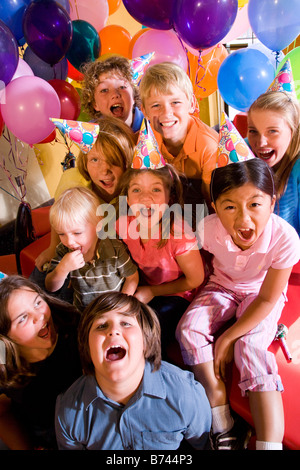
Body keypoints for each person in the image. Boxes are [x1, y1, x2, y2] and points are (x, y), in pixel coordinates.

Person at [176, 157, 300, 450]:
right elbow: (192, 260)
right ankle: (223, 426)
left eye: (255, 205)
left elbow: (270, 296)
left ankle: (269, 444)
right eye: (230, 206)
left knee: (251, 347)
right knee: (188, 330)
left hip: (261, 292)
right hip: (222, 286)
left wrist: (229, 337)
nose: (243, 219)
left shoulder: (284, 238)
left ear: (272, 202)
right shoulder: (208, 229)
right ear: (216, 207)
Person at [55, 292, 212, 450]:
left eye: (126, 323)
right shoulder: (69, 412)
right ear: (87, 348)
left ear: (146, 341)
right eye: (101, 325)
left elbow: (203, 444)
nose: (113, 331)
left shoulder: (187, 395)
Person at [117, 156, 205, 358]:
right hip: (145, 289)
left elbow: (195, 280)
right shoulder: (124, 224)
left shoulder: (179, 235)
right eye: (136, 190)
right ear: (128, 199)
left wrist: (153, 291)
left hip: (179, 294)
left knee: (150, 332)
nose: (145, 198)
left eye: (155, 190)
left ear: (170, 198)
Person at [35, 116, 135, 272]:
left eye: (113, 160)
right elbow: (61, 217)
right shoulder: (73, 182)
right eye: (95, 160)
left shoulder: (136, 186)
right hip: (78, 250)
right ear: (85, 163)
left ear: (127, 162)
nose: (105, 170)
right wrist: (53, 248)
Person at [0, 275, 82, 450]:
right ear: (5, 338)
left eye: (38, 303)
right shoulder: (2, 359)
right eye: (23, 318)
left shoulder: (75, 332)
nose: (40, 317)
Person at [139, 61, 219, 212]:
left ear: (192, 103)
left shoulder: (209, 147)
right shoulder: (147, 141)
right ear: (144, 111)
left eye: (175, 102)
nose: (166, 113)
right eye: (156, 105)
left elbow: (213, 205)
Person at [45, 186, 138, 312]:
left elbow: (132, 278)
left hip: (113, 310)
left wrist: (121, 305)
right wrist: (62, 269)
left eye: (77, 233)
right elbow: (50, 287)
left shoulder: (114, 247)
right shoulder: (63, 250)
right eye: (61, 234)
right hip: (83, 313)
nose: (69, 242)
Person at [247, 90, 300, 235]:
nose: (261, 142)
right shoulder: (242, 151)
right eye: (253, 131)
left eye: (272, 131)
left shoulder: (297, 169)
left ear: (293, 131)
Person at [81, 55, 144, 132]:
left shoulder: (151, 125)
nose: (115, 94)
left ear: (133, 96)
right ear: (95, 104)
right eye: (104, 90)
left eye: (122, 87)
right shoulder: (90, 134)